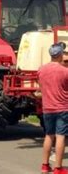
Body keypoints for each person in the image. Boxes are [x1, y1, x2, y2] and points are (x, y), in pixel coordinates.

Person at [39, 42, 68, 174]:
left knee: (49, 136)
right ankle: (58, 168)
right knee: (61, 137)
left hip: (47, 108)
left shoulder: (42, 70)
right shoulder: (65, 71)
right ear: (60, 54)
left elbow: (41, 87)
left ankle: (45, 166)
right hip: (62, 108)